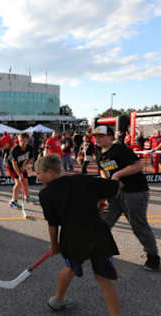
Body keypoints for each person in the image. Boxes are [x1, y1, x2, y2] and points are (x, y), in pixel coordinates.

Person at [35, 154, 122, 316]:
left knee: (70, 268)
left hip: (73, 238)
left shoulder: (46, 194)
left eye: (38, 173)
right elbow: (116, 186)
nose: (38, 177)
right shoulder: (82, 179)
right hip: (97, 233)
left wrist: (54, 245)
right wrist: (99, 201)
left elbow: (53, 224)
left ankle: (57, 300)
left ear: (49, 172)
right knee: (104, 280)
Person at [92, 125, 159, 271]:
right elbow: (104, 171)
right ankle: (98, 249)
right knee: (104, 222)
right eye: (95, 136)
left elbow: (139, 164)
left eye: (101, 136)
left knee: (138, 225)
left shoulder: (119, 149)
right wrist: (108, 186)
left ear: (110, 137)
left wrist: (118, 175)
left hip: (135, 192)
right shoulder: (99, 154)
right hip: (115, 194)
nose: (97, 138)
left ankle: (153, 258)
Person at [7, 134, 37, 209]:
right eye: (20, 141)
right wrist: (19, 175)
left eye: (24, 141)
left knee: (26, 182)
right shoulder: (15, 149)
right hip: (12, 167)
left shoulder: (29, 148)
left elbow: (30, 158)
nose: (22, 142)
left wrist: (24, 166)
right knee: (18, 183)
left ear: (27, 141)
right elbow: (14, 163)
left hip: (21, 166)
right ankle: (13, 201)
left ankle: (27, 197)